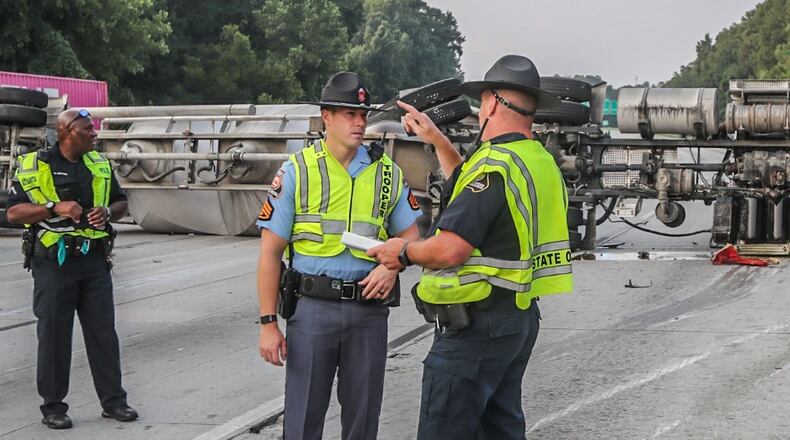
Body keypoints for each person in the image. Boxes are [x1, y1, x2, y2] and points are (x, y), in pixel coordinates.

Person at [368, 55, 574, 439]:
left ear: (492, 102)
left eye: (482, 101)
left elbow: (450, 250)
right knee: (499, 428)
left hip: (478, 327)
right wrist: (437, 139)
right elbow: (472, 185)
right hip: (518, 319)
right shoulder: (538, 160)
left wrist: (402, 252)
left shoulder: (494, 166)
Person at [255, 71, 421, 440]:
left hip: (368, 311)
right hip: (313, 309)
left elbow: (410, 238)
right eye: (350, 114)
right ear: (326, 117)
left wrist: (393, 269)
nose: (360, 122)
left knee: (363, 422)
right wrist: (268, 324)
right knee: (301, 421)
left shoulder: (386, 172)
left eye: (363, 114)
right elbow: (270, 253)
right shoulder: (297, 170)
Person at [6, 109, 137, 429]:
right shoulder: (35, 165)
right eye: (87, 129)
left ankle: (114, 402)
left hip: (94, 262)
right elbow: (13, 213)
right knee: (54, 336)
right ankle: (53, 407)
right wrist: (54, 207)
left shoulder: (99, 164)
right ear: (66, 132)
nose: (95, 134)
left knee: (103, 334)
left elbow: (122, 202)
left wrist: (107, 212)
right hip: (53, 263)